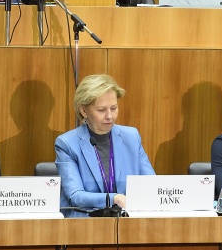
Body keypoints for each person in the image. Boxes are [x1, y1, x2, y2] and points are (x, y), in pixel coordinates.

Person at [55, 74, 155, 213]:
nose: (109, 116)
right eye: (101, 110)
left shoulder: (131, 137)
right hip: (86, 220)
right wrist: (114, 198)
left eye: (113, 108)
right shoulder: (67, 143)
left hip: (128, 219)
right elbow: (75, 196)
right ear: (83, 110)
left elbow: (151, 185)